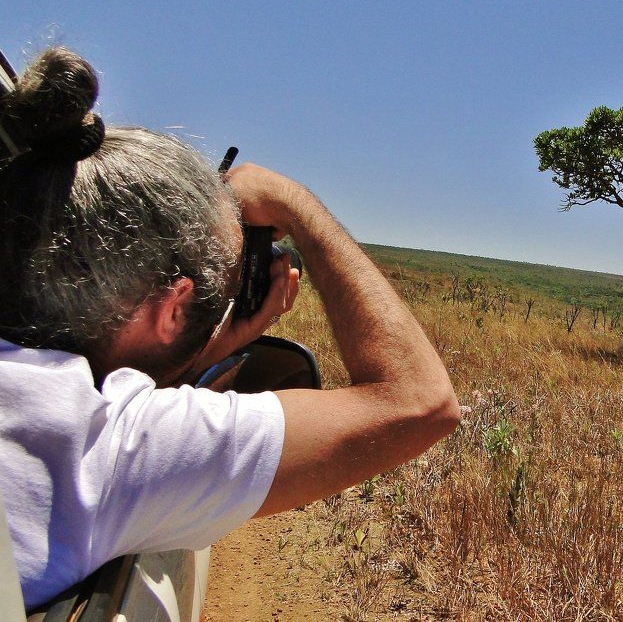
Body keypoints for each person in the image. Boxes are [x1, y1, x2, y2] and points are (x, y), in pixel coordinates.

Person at [0, 47, 460, 609]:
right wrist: (298, 205)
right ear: (173, 309)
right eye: (220, 287)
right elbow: (422, 403)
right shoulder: (102, 444)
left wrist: (209, 343)